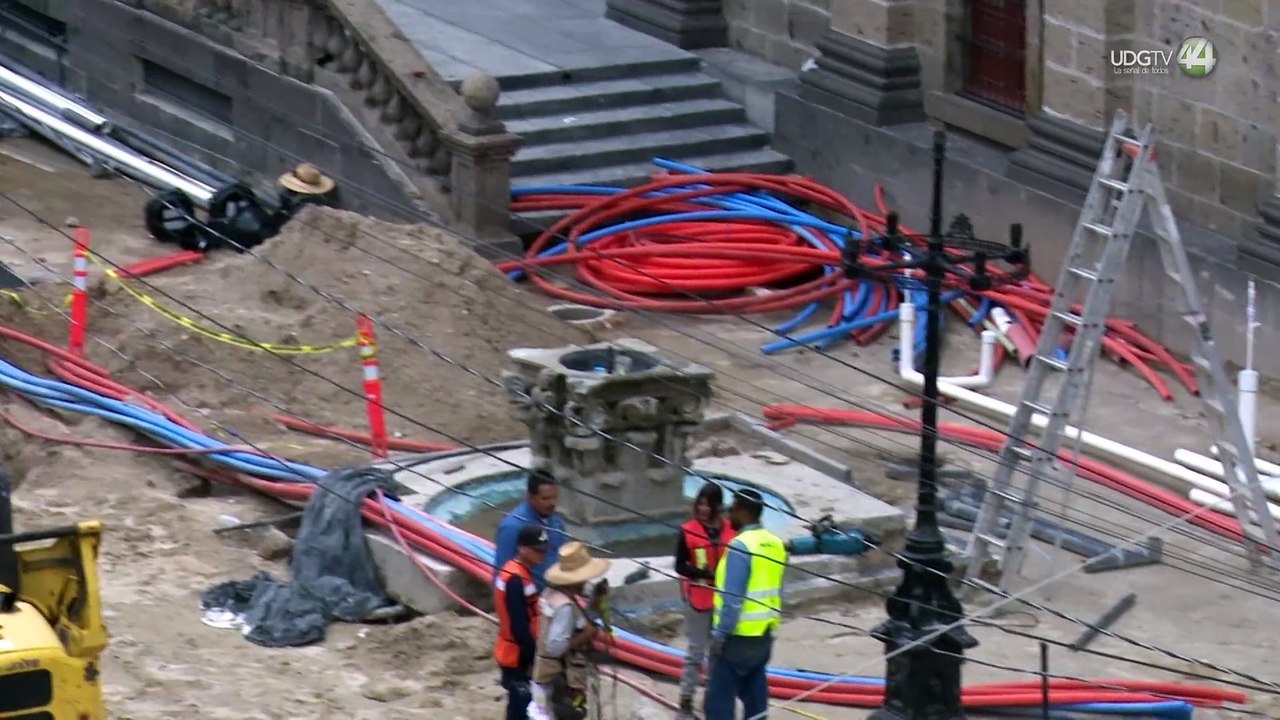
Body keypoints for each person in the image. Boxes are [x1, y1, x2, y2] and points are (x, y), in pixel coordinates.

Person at [704, 489, 788, 720]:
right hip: (762, 636)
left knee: (718, 702)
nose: (728, 514)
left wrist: (719, 636)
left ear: (743, 512)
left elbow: (732, 600)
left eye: (732, 509)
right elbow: (779, 590)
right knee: (755, 699)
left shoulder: (740, 547)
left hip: (736, 639)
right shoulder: (775, 544)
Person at [528, 541, 611, 720]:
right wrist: (585, 636)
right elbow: (555, 647)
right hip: (557, 676)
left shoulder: (551, 593)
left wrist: (593, 606)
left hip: (545, 675)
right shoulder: (564, 607)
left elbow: (577, 620)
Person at [674, 482, 735, 718]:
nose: (703, 509)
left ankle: (712, 697)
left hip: (723, 600)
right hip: (697, 598)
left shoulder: (731, 530)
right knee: (695, 652)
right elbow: (680, 565)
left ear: (718, 506)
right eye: (700, 503)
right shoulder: (687, 530)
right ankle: (687, 697)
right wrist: (702, 574)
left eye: (708, 505)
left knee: (718, 653)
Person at [494, 524, 550, 720]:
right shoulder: (516, 580)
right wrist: (529, 660)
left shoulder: (517, 572)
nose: (542, 554)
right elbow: (519, 627)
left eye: (544, 550)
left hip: (516, 654)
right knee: (522, 708)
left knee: (519, 707)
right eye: (537, 550)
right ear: (522, 548)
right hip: (517, 657)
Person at [495, 470, 567, 589]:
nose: (552, 503)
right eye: (545, 499)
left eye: (554, 498)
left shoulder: (554, 520)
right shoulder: (512, 527)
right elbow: (502, 573)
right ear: (530, 498)